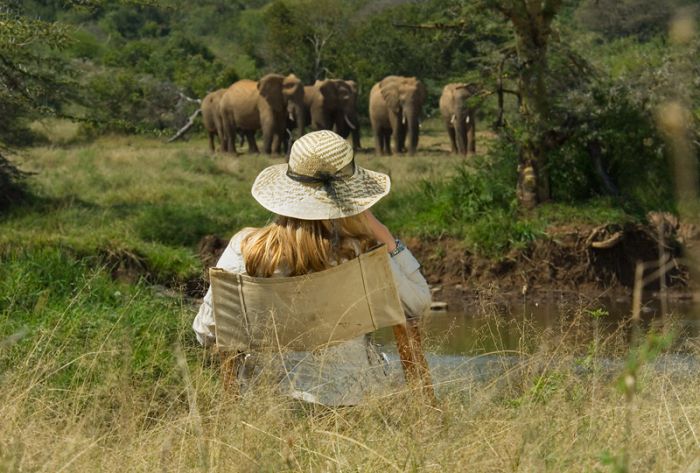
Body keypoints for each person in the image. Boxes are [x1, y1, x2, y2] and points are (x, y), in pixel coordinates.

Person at [193, 130, 431, 405]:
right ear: (351, 196)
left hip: (264, 402)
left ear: (286, 190)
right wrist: (388, 238)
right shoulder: (363, 254)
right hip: (352, 399)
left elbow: (205, 331)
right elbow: (419, 304)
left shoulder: (243, 249)